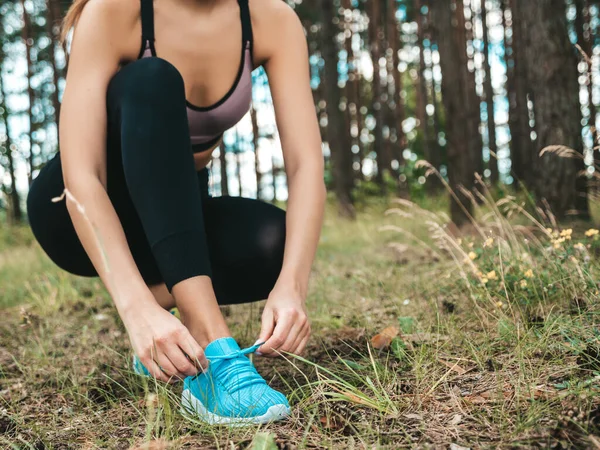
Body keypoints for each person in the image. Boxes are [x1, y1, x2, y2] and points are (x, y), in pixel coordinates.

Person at [26, 0, 325, 426]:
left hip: (173, 216)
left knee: (274, 243)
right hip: (77, 211)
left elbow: (306, 166)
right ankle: (209, 346)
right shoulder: (115, 10)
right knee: (153, 77)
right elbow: (83, 176)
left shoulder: (270, 19)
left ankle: (167, 339)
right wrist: (135, 311)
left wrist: (292, 289)